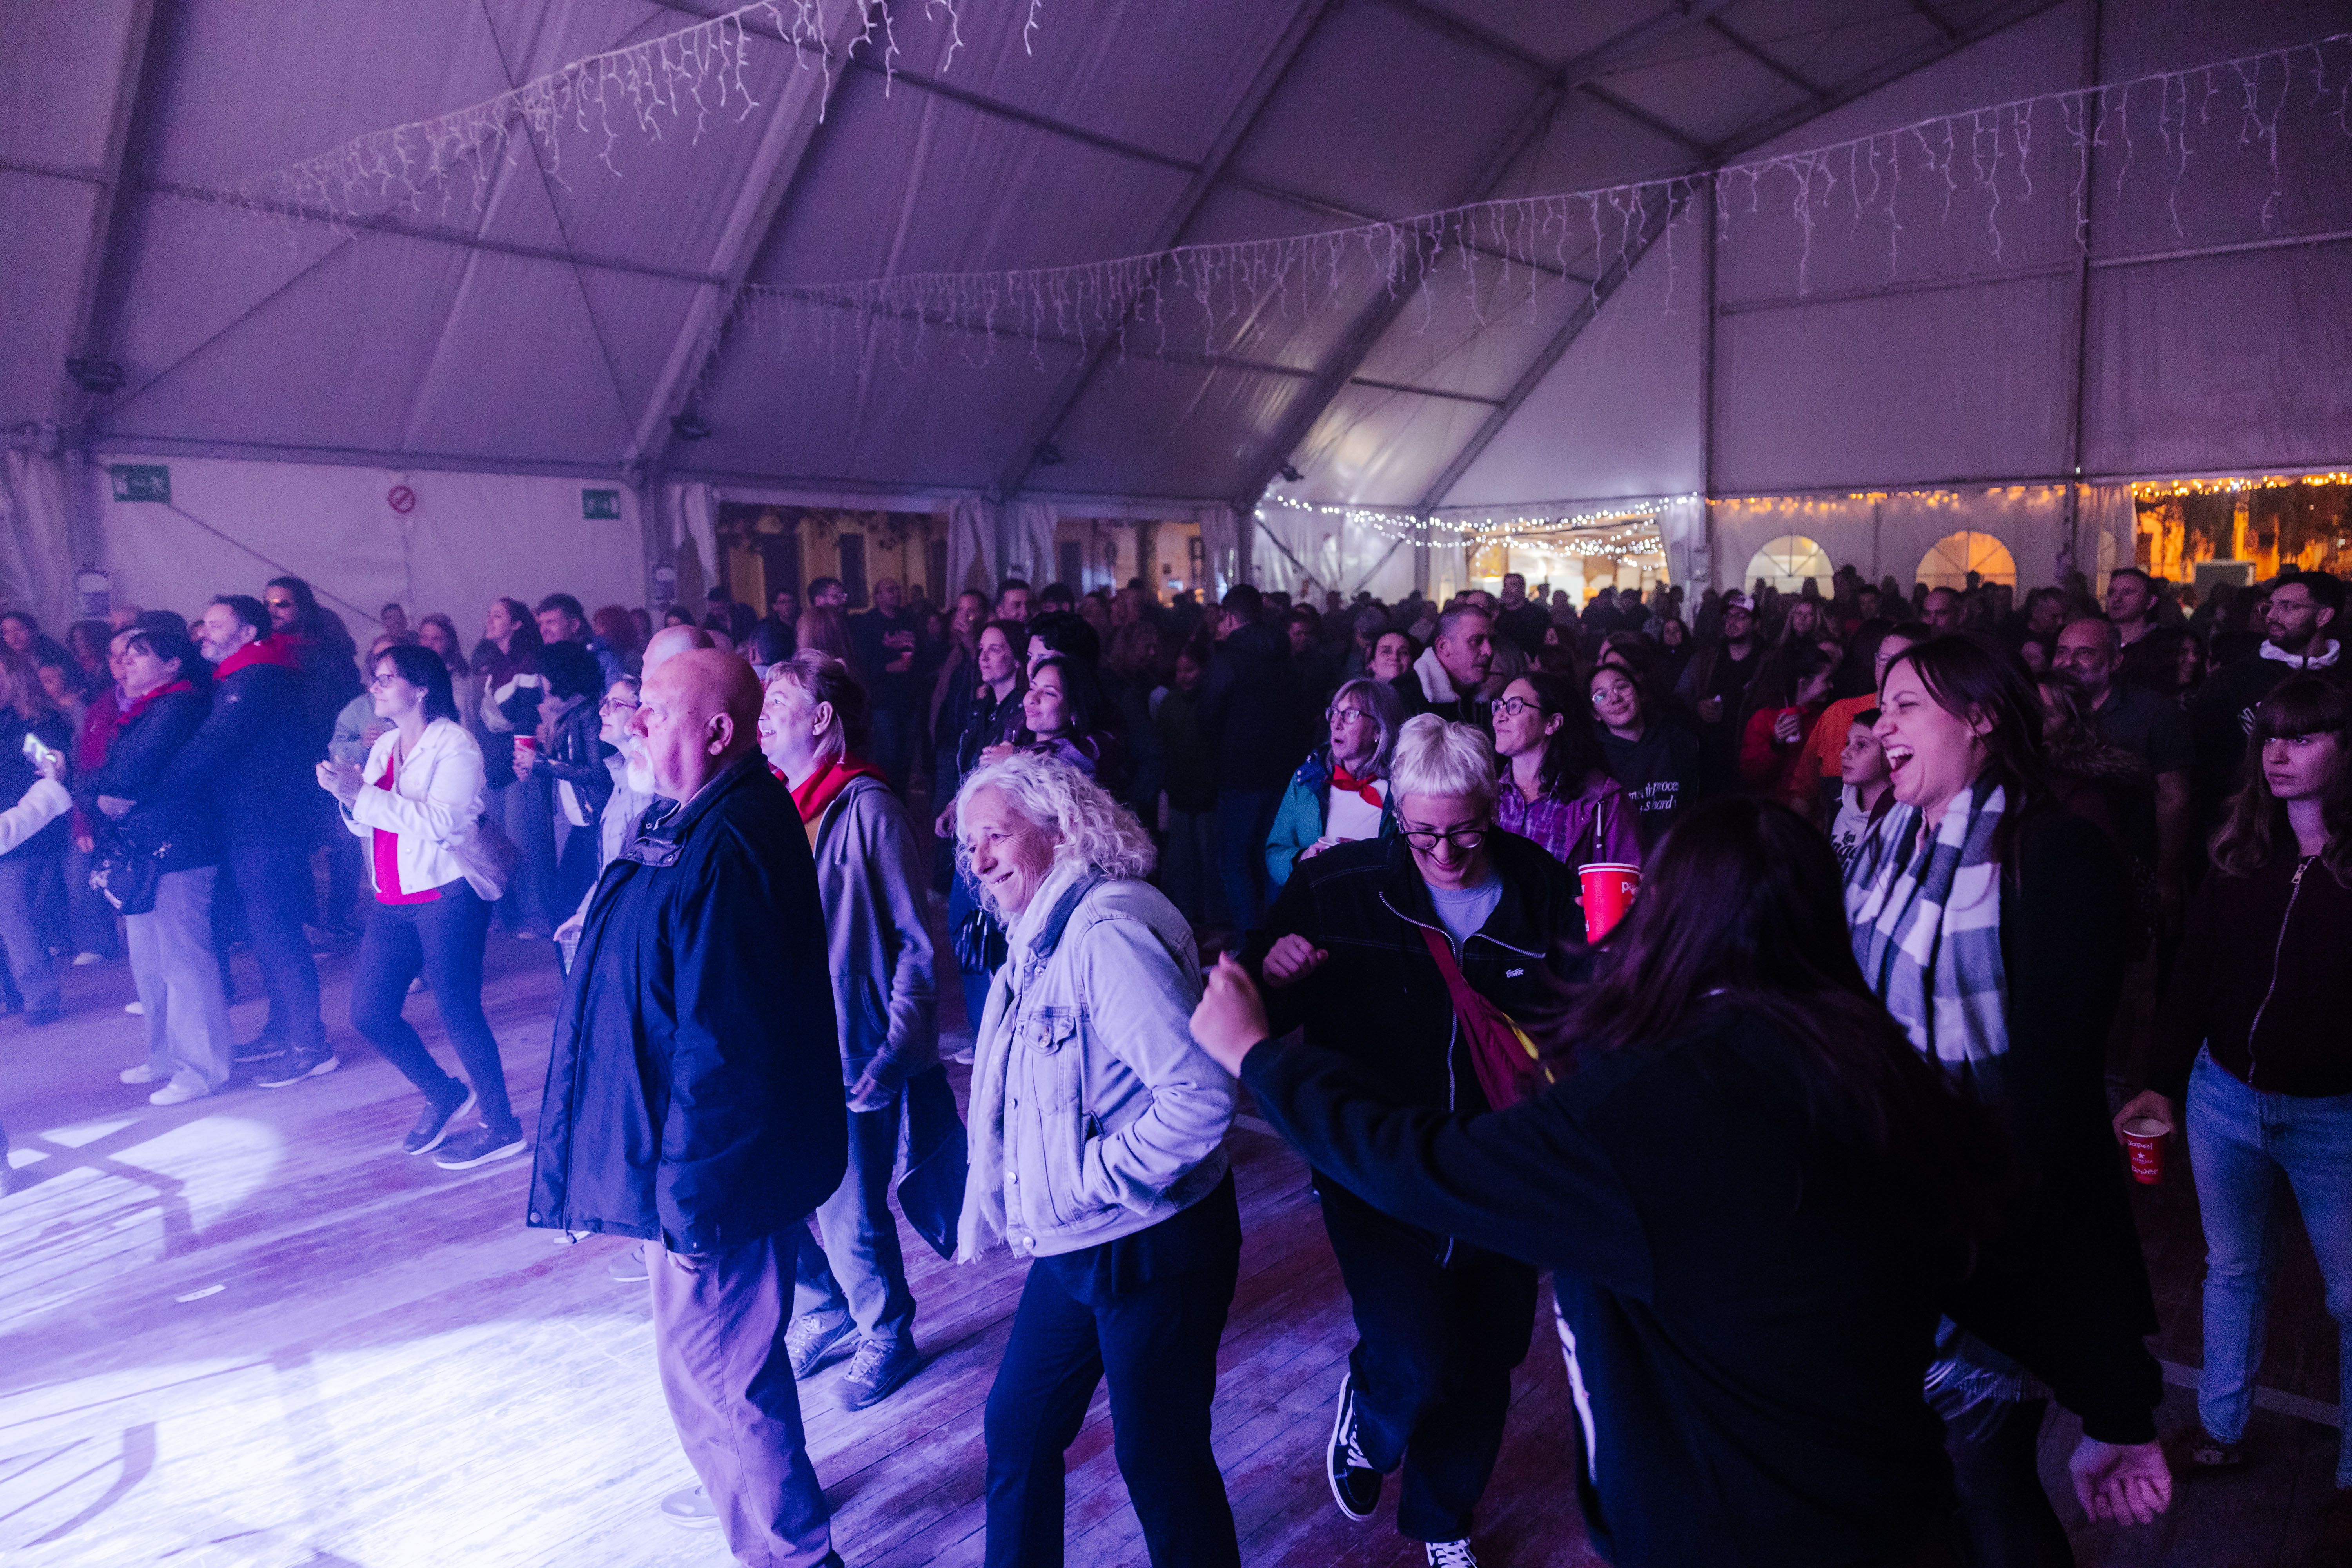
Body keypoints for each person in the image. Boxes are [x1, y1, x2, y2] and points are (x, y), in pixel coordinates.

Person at [1195, 795, 2177, 1568]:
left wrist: (1260, 1058)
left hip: (1724, 1536)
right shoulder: (1878, 1067)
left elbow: (1421, 1164)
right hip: (1895, 1515)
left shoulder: (1647, 1112)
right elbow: (2002, 1257)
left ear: (1671, 923)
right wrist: (2118, 1411)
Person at [1238, 715, 1588, 1567]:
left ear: (1494, 803)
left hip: (1501, 1162)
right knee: (1416, 1351)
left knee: (1489, 1354)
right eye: (1423, 829)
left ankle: (1443, 1521)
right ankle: (1373, 1407)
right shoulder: (1341, 886)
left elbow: (1586, 1012)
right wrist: (1274, 969)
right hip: (1376, 1163)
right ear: (1395, 810)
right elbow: (1252, 1005)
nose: (1444, 850)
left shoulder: (1541, 885)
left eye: (1464, 827)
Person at [1848, 634, 2169, 1565]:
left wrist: (2107, 1379)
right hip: (1895, 1219)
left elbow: (2045, 1105)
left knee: (1985, 1479)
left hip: (1996, 1225)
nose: (1882, 724)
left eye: (1906, 704)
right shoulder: (1888, 842)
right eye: (1881, 705)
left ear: (1982, 716)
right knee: (1922, 1479)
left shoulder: (2054, 853)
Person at [528, 651, 848, 1568]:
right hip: (687, 1162)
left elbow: (727, 1046)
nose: (634, 722)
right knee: (708, 1366)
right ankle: (762, 1519)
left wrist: (692, 1202)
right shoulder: (699, 813)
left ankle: (791, 1551)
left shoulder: (734, 833)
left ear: (716, 731)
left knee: (721, 1371)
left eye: (656, 710)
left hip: (711, 1174)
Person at [952, 750, 1241, 1568]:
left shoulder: (1105, 931)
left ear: (1060, 828)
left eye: (997, 836)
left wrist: (1084, 1178)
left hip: (1156, 1243)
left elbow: (1199, 1099)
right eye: (969, 844)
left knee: (1162, 1462)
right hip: (1082, 1239)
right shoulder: (1040, 933)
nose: (978, 860)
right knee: (1018, 1426)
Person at [2114, 675, 2352, 1552]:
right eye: (2274, 738)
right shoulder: (2240, 849)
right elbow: (2194, 977)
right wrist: (2160, 1080)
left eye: (2309, 735)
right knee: (2234, 1267)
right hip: (2226, 1093)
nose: (2281, 752)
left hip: (2333, 1111)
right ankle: (2223, 1427)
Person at [757, 652, 944, 1412]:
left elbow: (915, 940)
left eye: (778, 702)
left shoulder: (867, 807)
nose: (763, 716)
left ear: (823, 717)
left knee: (848, 1206)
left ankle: (887, 1329)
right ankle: (826, 1305)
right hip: (781, 1041)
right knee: (772, 1194)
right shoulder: (775, 803)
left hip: (853, 1042)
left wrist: (896, 1045)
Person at [319, 644, 521, 1168]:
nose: (376, 687)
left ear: (422, 688)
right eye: (374, 679)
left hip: (447, 893)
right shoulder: (386, 744)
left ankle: (503, 1127)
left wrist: (360, 795)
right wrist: (349, 797)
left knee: (459, 1010)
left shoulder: (456, 746)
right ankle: (444, 1092)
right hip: (393, 897)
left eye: (387, 678)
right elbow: (371, 821)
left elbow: (441, 824)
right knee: (369, 1013)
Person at [144, 596, 334, 1083]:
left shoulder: (258, 677)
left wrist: (155, 790)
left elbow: (215, 743)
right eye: (203, 623)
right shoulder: (240, 675)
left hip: (267, 824)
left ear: (247, 633)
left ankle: (311, 1044)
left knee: (278, 934)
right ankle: (282, 1028)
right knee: (264, 933)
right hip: (252, 821)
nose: (202, 633)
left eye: (214, 625)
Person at [88, 622, 232, 1102]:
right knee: (149, 962)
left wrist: (100, 788)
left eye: (140, 652)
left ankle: (203, 1068)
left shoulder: (178, 706)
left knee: (183, 961)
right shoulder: (143, 710)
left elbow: (128, 774)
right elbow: (107, 778)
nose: (127, 662)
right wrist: (98, 790)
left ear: (172, 664)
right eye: (124, 655)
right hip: (148, 848)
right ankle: (166, 1054)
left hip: (178, 849)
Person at [2053, 616, 2190, 918]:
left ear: (2116, 662)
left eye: (2085, 653)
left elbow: (2174, 799)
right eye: (2062, 652)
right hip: (2057, 865)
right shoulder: (2044, 710)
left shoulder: (2153, 712)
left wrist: (2167, 878)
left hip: (2127, 864)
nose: (2068, 662)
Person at [2189, 569, 2342, 838]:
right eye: (2270, 606)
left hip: (2334, 829)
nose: (2271, 616)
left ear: (2323, 616)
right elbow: (2202, 761)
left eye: (2287, 607)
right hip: (2247, 830)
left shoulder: (2344, 681)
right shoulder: (2232, 681)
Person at [1201, 585, 1299, 933]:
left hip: (1240, 776)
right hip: (1283, 774)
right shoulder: (1284, 655)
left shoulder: (1227, 660)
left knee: (1235, 861)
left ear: (1229, 617)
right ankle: (1276, 938)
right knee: (1272, 856)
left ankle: (1249, 943)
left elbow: (1208, 716)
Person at [1266, 677, 1403, 891]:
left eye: (1350, 715)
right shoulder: (1307, 779)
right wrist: (1302, 859)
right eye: (1335, 713)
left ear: (1378, 729)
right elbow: (1275, 850)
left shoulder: (1402, 788)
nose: (1336, 724)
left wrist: (1365, 858)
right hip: (1314, 909)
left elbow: (1415, 862)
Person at [1491, 671, 1638, 870]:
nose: (1500, 716)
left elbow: (1628, 882)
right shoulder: (1486, 792)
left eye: (1514, 706)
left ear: (1552, 723)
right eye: (1499, 706)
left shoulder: (1602, 799)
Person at [473, 597, 554, 936]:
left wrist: (523, 762)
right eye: (489, 614)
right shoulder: (493, 668)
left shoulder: (527, 667)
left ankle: (537, 917)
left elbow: (526, 718)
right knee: (497, 842)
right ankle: (508, 914)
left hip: (519, 768)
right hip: (493, 766)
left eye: (498, 615)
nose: (490, 621)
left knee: (527, 843)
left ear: (517, 624)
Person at [0, 652, 72, 1025]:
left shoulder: (35, 726)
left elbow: (53, 775)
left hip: (25, 832)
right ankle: (8, 994)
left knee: (14, 917)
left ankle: (40, 997)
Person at [517, 640, 612, 919]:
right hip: (583, 824)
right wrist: (539, 762)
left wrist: (542, 765)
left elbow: (598, 774)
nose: (541, 684)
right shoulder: (570, 715)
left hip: (596, 824)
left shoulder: (589, 714)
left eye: (543, 675)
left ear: (560, 676)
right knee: (566, 906)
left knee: (570, 906)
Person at [1589, 661, 1702, 849]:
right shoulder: (1594, 758)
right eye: (1601, 696)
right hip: (1625, 864)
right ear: (1595, 714)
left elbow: (1698, 802)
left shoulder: (1678, 738)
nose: (1615, 699)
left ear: (1638, 692)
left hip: (1681, 855)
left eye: (1622, 687)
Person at [1156, 642, 1222, 929]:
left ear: (1204, 670)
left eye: (1190, 670)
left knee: (1210, 863)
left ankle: (1214, 920)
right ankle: (1186, 918)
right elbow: (1164, 749)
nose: (1184, 676)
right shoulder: (1169, 704)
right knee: (1183, 863)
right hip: (1181, 793)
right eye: (1180, 670)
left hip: (1209, 794)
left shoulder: (1211, 702)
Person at [1738, 643, 1838, 810]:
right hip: (1772, 814)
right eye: (1827, 680)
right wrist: (1775, 745)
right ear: (1804, 683)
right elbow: (1750, 776)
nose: (1831, 686)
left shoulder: (1825, 719)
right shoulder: (1764, 718)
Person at [850, 577, 924, 793]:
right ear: (878, 596)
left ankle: (903, 801)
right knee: (888, 754)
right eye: (890, 590)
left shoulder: (910, 619)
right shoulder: (868, 623)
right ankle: (886, 799)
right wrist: (887, 668)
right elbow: (861, 663)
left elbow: (923, 651)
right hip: (884, 699)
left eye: (897, 589)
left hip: (909, 697)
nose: (896, 594)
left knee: (907, 754)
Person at [1405, 604, 1495, 726]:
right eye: (1476, 641)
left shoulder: (1488, 699)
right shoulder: (1403, 697)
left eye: (1492, 642)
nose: (1489, 651)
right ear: (1443, 646)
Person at [1828, 708, 1894, 872]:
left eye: (1861, 745)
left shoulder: (1898, 819)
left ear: (1891, 752)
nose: (1845, 753)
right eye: (1847, 743)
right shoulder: (1836, 809)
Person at [537, 593, 625, 690]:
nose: (543, 631)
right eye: (541, 624)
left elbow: (617, 702)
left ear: (574, 625)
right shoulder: (539, 662)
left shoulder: (603, 660)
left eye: (551, 622)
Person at [2107, 567, 2158, 648]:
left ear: (2151, 601)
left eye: (2127, 593)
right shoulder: (2097, 640)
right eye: (2111, 593)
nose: (2116, 599)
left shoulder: (2162, 646)